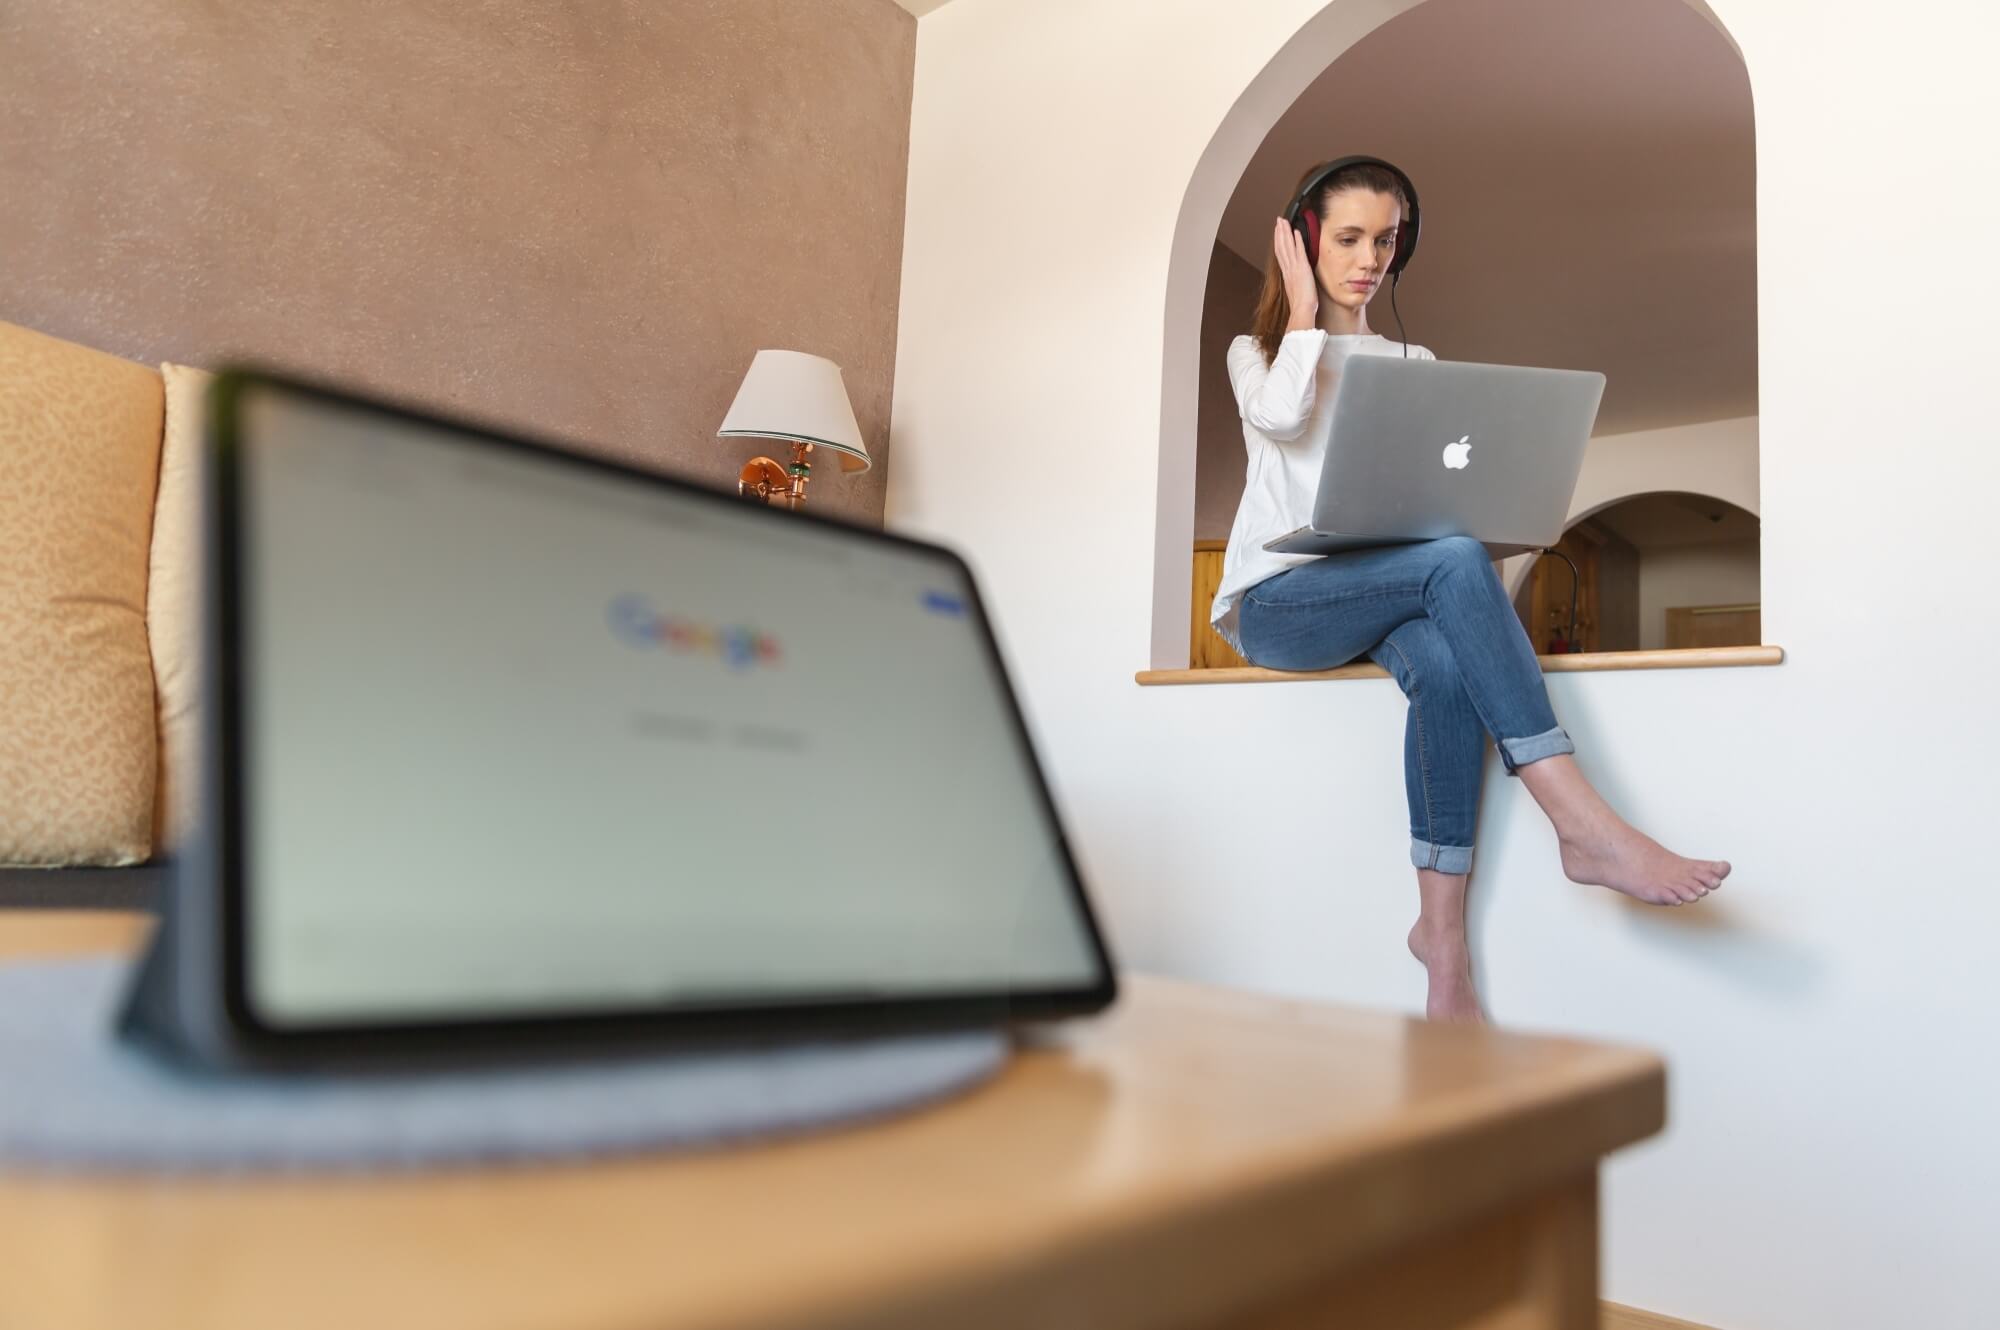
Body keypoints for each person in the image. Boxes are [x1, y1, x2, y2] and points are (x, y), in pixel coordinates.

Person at [1210, 160, 1731, 1023]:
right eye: (1346, 238)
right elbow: (1277, 418)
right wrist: (1302, 315)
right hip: (1279, 603)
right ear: (1303, 241)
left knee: (1448, 665)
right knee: (1454, 558)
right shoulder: (1258, 352)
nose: (1370, 257)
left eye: (1385, 239)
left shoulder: (1412, 359)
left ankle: (1440, 945)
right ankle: (1583, 825)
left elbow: (1429, 504)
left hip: (1381, 583)